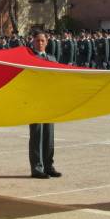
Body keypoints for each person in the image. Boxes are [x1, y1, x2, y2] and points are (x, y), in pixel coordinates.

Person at [27, 31, 62, 180]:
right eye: (37, 41)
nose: (40, 43)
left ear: (47, 42)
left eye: (42, 41)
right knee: (37, 135)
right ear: (33, 42)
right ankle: (37, 168)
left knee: (49, 135)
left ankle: (49, 166)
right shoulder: (29, 59)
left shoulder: (52, 59)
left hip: (49, 102)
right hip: (35, 102)